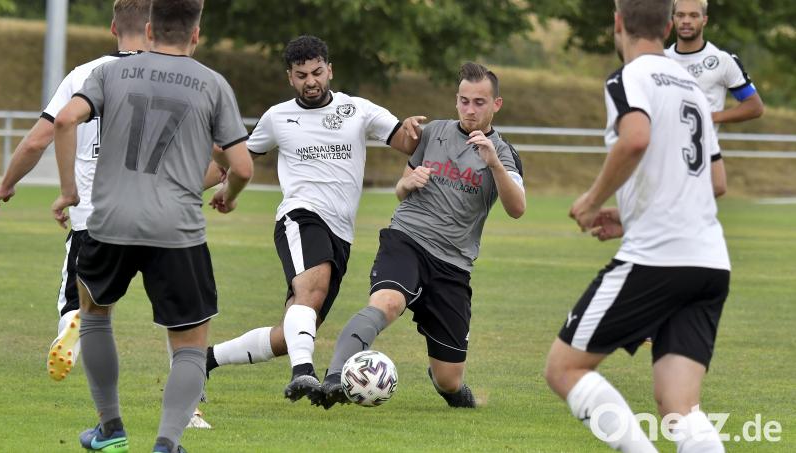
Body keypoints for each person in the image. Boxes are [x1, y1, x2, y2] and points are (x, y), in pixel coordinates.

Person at [51, 0, 253, 451]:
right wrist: (227, 195)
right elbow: (240, 165)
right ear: (196, 35)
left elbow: (65, 120)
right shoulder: (212, 84)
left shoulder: (107, 73)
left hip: (108, 222)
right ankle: (166, 442)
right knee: (188, 344)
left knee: (95, 316)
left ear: (148, 28)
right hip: (176, 229)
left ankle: (110, 428)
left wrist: (68, 192)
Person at [544, 1, 730, 452]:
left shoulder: (628, 77)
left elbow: (636, 138)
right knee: (679, 407)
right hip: (709, 262)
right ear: (669, 26)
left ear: (618, 22)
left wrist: (591, 201)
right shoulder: (691, 87)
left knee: (564, 369)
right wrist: (628, 216)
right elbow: (716, 181)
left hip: (658, 259)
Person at [204, 35, 425, 402]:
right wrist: (191, 187)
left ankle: (204, 359)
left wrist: (415, 131)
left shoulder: (357, 109)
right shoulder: (277, 117)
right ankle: (303, 373)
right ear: (290, 78)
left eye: (317, 72)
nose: (311, 81)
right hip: (300, 215)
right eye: (301, 74)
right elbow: (231, 162)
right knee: (313, 291)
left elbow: (406, 140)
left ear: (329, 70)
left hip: (341, 233)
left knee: (292, 330)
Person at [317, 62, 525, 410]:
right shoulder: (432, 134)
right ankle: (335, 377)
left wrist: (494, 164)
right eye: (463, 100)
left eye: (478, 102)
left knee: (449, 380)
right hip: (408, 239)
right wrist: (404, 183)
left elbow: (517, 208)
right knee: (387, 302)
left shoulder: (503, 152)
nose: (469, 109)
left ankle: (451, 389)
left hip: (454, 264)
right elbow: (402, 189)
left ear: (496, 104)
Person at [0, 0, 150, 383]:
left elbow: (37, 141)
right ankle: (190, 401)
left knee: (79, 298)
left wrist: (5, 186)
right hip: (154, 212)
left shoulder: (83, 76)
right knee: (173, 308)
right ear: (153, 29)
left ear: (113, 28)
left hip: (92, 212)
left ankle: (75, 324)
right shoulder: (172, 77)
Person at [665, 0, 764, 129]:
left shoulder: (722, 60)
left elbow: (755, 106)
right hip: (663, 148)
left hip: (706, 149)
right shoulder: (660, 58)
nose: (686, 21)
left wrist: (711, 117)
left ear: (704, 20)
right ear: (673, 19)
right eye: (680, 15)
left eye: (693, 15)